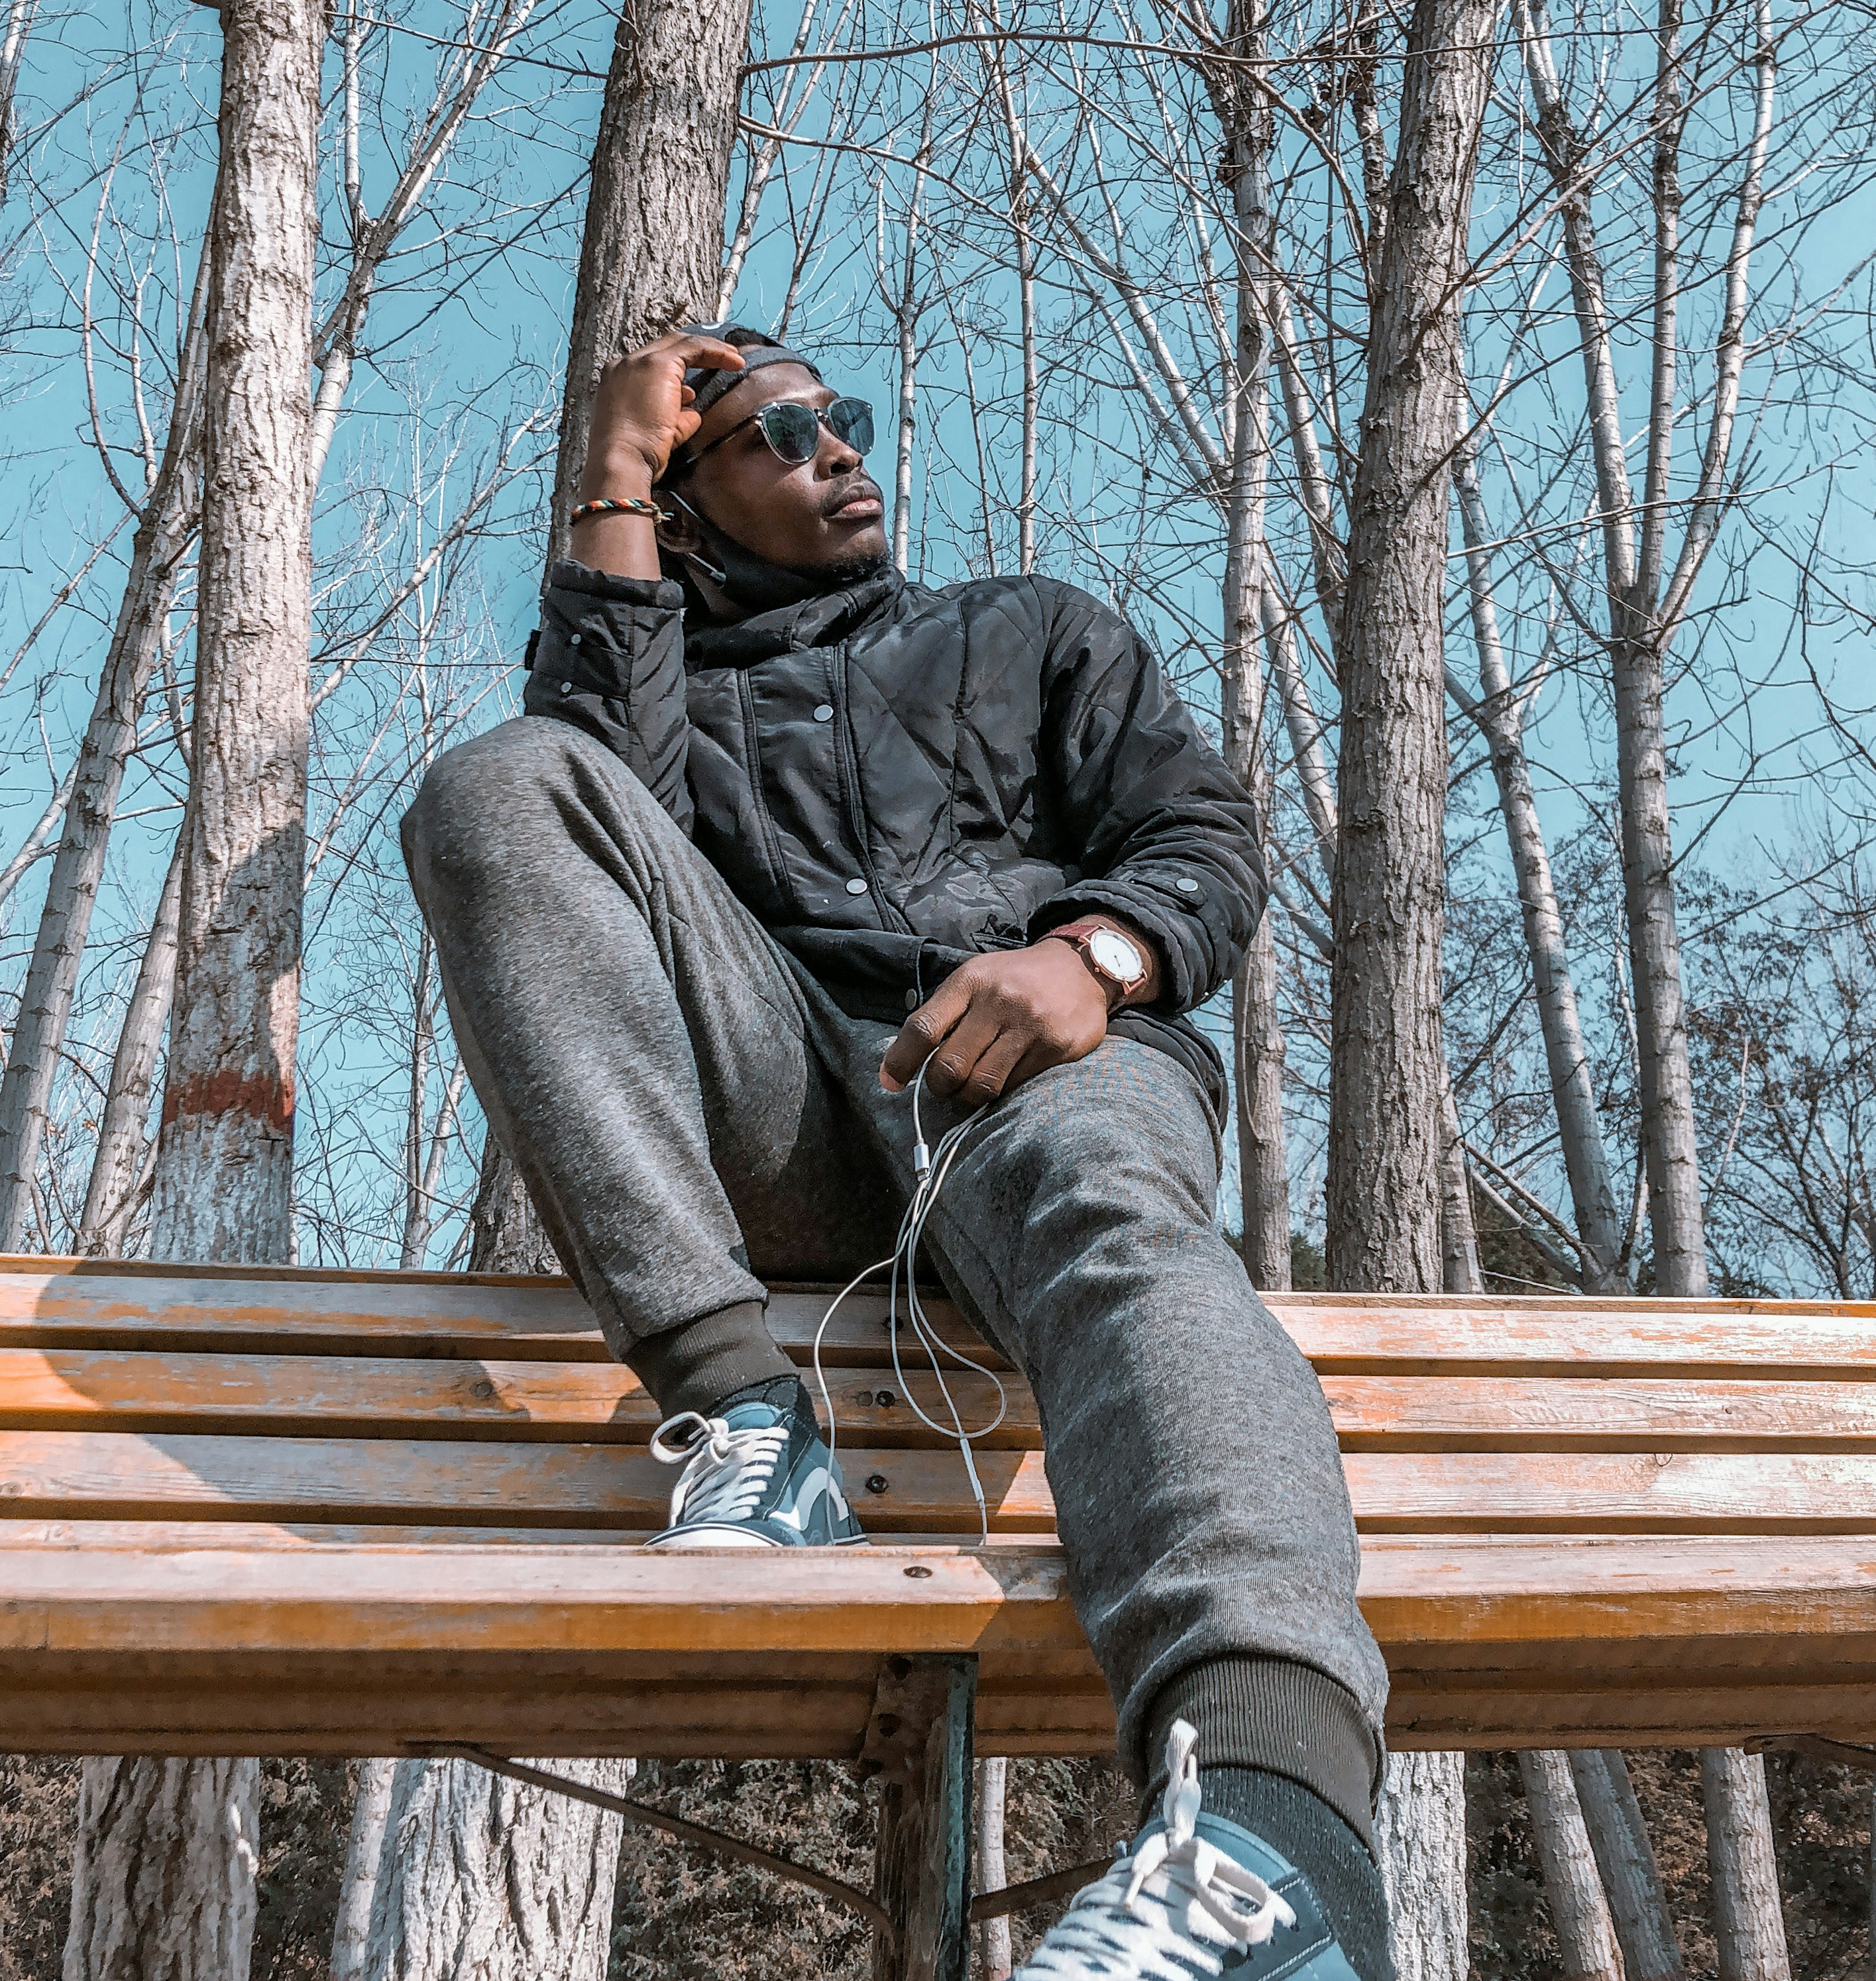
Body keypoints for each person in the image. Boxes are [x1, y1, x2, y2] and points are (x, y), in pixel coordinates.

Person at [402, 323, 1396, 1978]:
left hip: (1039, 1084)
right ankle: (740, 1415)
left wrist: (1096, 959)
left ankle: (1276, 1832)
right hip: (796, 1128)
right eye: (778, 434)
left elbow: (1201, 840)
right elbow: (579, 818)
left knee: (1111, 1211)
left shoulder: (1026, 629)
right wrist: (607, 478)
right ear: (694, 505)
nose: (837, 449)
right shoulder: (674, 698)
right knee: (499, 784)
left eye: (843, 418)